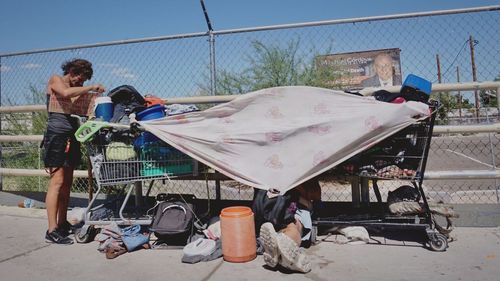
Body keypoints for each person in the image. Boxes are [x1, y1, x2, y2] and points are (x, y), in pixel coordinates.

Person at [43, 59, 105, 244]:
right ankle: (51, 229)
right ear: (71, 70)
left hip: (72, 134)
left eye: (85, 80)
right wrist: (91, 87)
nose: (81, 82)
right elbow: (65, 92)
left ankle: (62, 223)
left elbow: (81, 102)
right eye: (79, 77)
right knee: (57, 181)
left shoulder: (79, 88)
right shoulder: (56, 79)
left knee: (68, 182)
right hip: (57, 136)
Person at [257, 178, 321, 273]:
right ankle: (282, 253)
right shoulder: (266, 172)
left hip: (297, 208)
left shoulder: (302, 172)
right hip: (273, 210)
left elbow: (317, 195)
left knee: (294, 225)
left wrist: (296, 185)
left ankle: (279, 251)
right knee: (285, 228)